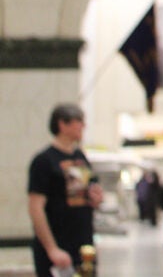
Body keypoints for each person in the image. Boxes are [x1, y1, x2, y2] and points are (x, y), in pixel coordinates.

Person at [27, 103, 104, 277]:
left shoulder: (80, 157)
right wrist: (52, 248)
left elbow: (90, 192)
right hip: (58, 243)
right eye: (79, 121)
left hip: (83, 244)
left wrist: (96, 197)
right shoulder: (44, 161)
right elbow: (35, 207)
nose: (83, 126)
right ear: (63, 124)